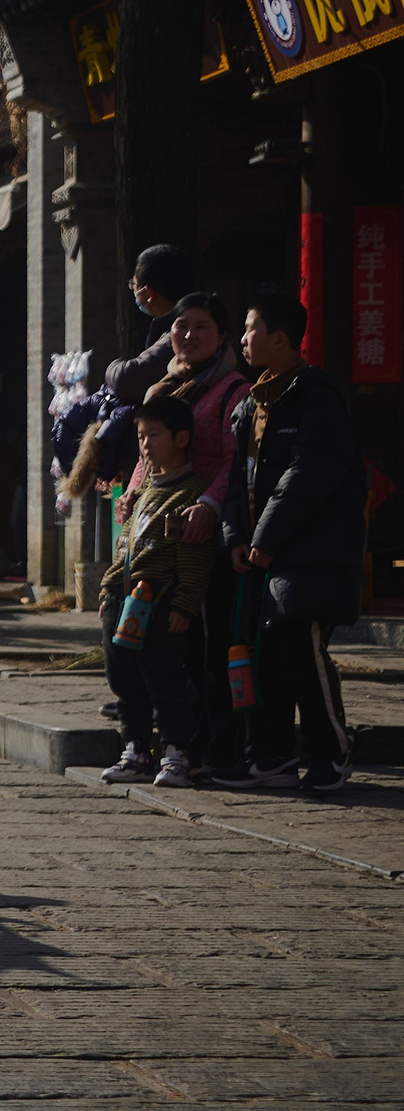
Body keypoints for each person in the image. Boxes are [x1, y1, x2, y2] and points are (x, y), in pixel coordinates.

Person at [217, 294, 366, 794]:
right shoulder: (250, 404)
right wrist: (237, 536)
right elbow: (239, 479)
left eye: (250, 329)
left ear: (280, 339)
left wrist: (265, 537)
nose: (242, 339)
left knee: (304, 652)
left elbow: (309, 476)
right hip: (265, 553)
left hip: (310, 553)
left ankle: (332, 752)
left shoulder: (316, 398)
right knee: (267, 658)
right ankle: (273, 757)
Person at [136, 292, 252, 779]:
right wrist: (135, 494)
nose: (188, 335)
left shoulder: (234, 391)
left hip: (213, 533)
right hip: (164, 536)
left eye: (202, 327)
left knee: (213, 643)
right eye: (181, 325)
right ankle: (176, 744)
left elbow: (235, 462)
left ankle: (221, 748)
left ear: (223, 337)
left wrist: (208, 503)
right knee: (166, 644)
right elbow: (148, 450)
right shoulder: (165, 387)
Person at [98, 395, 213, 788]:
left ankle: (176, 754)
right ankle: (134, 750)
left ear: (182, 438)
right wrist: (106, 594)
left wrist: (184, 604)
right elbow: (124, 547)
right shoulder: (144, 490)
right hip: (123, 604)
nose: (145, 445)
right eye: (141, 437)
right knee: (124, 680)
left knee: (164, 681)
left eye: (154, 435)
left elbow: (193, 560)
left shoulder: (190, 494)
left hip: (160, 604)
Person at [104, 243, 197, 407]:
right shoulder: (172, 328)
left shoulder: (177, 336)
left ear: (148, 293)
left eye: (134, 285)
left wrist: (113, 366)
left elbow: (127, 378)